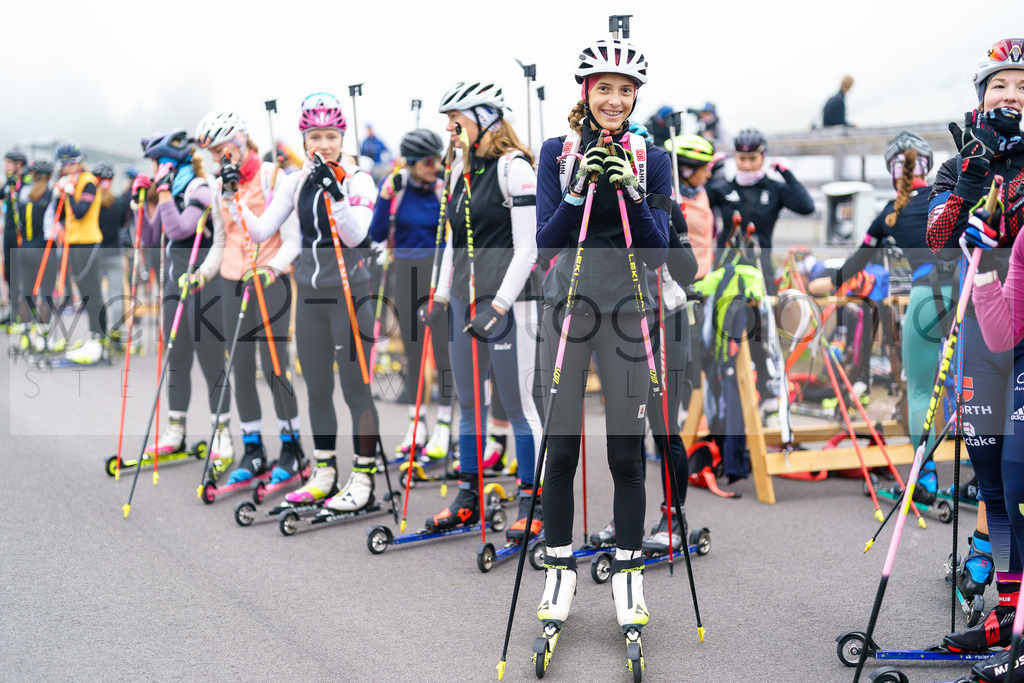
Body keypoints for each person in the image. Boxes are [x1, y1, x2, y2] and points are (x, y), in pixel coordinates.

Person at [535, 37, 670, 638]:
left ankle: (628, 575)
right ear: (585, 92)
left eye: (625, 89)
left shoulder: (653, 157)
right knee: (561, 451)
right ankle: (558, 572)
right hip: (568, 309)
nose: (614, 99)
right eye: (603, 87)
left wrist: (633, 193)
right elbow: (546, 243)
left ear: (636, 96)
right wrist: (577, 190)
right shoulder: (555, 151)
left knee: (624, 456)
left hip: (626, 313)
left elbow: (662, 250)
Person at [924, 38, 1024, 667]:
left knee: (1019, 478)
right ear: (981, 96)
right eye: (1000, 86)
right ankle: (1007, 616)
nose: (1011, 96)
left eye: (1022, 87)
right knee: (988, 475)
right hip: (979, 330)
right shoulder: (963, 157)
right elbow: (938, 237)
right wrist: (971, 176)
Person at [237, 93, 383, 513]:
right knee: (317, 390)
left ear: (342, 138)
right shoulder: (294, 181)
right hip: (312, 298)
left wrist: (336, 194)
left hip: (352, 296)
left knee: (356, 391)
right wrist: (235, 198)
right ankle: (324, 472)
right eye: (315, 136)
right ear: (304, 141)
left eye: (330, 136)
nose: (323, 144)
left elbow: (356, 235)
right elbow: (265, 231)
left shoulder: (358, 179)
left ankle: (364, 475)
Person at [422, 80, 542, 542]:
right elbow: (452, 242)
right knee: (468, 403)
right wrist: (438, 294)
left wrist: (499, 304)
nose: (449, 129)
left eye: (457, 119)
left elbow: (528, 247)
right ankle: (469, 497)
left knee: (516, 404)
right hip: (465, 302)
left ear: (486, 118)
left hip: (512, 301)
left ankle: (535, 501)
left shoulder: (515, 169)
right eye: (447, 121)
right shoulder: (459, 172)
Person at [810, 131, 959, 499]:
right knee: (972, 387)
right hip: (970, 289)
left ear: (894, 173)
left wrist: (827, 282)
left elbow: (857, 262)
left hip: (928, 294)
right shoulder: (951, 198)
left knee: (922, 388)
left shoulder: (889, 214)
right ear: (928, 165)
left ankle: (923, 480)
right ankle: (985, 482)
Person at [194, 110, 304, 488]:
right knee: (239, 366)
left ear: (242, 140)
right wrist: (202, 273)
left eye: (224, 148)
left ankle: (292, 450)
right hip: (231, 280)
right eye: (213, 152)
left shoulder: (275, 175)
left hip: (270, 279)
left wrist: (272, 269)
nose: (221, 157)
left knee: (274, 368)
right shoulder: (216, 185)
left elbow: (292, 240)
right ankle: (253, 449)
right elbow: (221, 242)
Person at [133, 129, 234, 468]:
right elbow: (150, 238)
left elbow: (179, 230)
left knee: (210, 360)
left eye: (157, 162)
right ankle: (176, 431)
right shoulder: (169, 189)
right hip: (175, 284)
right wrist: (141, 203)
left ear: (170, 162)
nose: (154, 168)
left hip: (205, 283)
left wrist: (160, 192)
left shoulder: (199, 189)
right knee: (176, 359)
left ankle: (223, 434)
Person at [368, 128, 454, 459]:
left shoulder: (442, 187)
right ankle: (416, 424)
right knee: (414, 351)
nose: (436, 166)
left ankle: (444, 425)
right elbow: (376, 233)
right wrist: (385, 196)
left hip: (438, 274)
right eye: (429, 161)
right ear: (413, 163)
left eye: (439, 159)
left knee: (443, 353)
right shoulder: (397, 188)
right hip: (405, 274)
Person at [707, 129, 815, 296]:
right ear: (735, 157)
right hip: (726, 265)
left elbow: (807, 207)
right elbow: (696, 204)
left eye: (753, 159)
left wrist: (786, 173)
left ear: (763, 157)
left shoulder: (774, 189)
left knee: (761, 320)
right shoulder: (724, 188)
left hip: (760, 267)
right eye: (742, 159)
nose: (747, 165)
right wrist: (709, 173)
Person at [47, 143, 109, 364]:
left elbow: (80, 213)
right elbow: (60, 213)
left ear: (79, 162)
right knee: (83, 292)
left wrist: (71, 194)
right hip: (72, 242)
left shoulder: (88, 182)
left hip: (88, 241)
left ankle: (99, 340)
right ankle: (94, 338)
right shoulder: (69, 181)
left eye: (70, 163)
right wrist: (58, 194)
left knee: (92, 291)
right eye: (63, 164)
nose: (66, 167)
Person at [11, 161, 58, 352]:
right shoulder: (52, 194)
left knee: (27, 293)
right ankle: (43, 338)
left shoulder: (23, 193)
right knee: (46, 292)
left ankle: (24, 335)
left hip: (25, 247)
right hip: (44, 248)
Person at [93, 162, 132, 349]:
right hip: (115, 251)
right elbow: (123, 224)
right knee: (116, 294)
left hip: (95, 252)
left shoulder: (91, 204)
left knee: (97, 295)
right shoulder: (120, 203)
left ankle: (98, 334)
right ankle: (116, 334)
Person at [3, 149, 29, 328]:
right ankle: (13, 312)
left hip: (23, 234)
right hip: (9, 232)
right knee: (9, 273)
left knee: (24, 274)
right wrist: (6, 184)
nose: (5, 167)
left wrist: (16, 187)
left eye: (8, 163)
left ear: (18, 164)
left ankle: (24, 314)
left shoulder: (27, 180)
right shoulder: (9, 182)